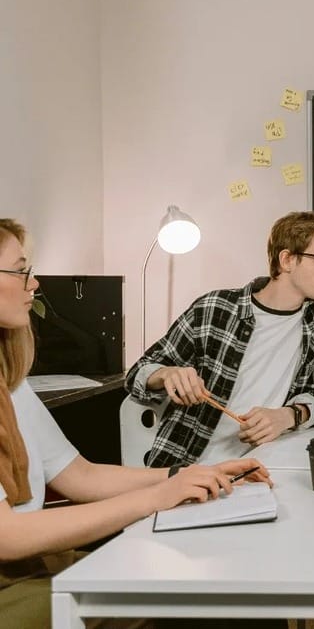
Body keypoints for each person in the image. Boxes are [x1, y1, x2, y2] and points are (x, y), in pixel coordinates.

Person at [0, 218, 272, 628]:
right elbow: (10, 537)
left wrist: (190, 474)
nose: (34, 284)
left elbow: (80, 476)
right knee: (179, 603)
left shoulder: (12, 385)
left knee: (213, 587)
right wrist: (158, 497)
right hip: (12, 581)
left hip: (33, 566)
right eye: (21, 270)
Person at [125, 211, 314, 467]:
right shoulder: (215, 308)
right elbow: (137, 374)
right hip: (192, 465)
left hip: (268, 463)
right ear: (287, 260)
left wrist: (289, 416)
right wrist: (166, 374)